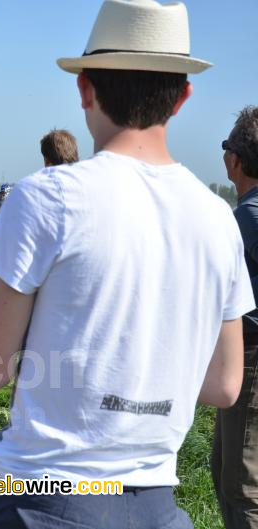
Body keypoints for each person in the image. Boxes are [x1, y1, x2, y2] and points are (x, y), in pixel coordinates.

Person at [0, 1, 253, 527]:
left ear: (84, 88)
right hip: (156, 503)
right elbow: (225, 386)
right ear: (182, 97)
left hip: (38, 491)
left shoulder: (45, 195)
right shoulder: (218, 217)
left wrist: (2, 342)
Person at [212, 106, 258, 529]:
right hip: (245, 356)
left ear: (235, 159)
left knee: (241, 485)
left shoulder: (246, 216)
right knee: (225, 470)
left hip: (252, 357)